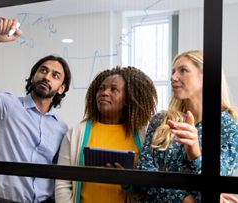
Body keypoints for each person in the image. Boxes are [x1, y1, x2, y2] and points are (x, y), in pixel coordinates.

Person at [0, 18, 72, 203]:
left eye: (55, 75)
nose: (47, 77)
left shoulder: (62, 129)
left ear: (61, 88)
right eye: (43, 70)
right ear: (33, 76)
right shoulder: (6, 106)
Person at [137, 50, 238, 203]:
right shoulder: (161, 120)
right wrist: (186, 199)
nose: (173, 77)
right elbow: (144, 172)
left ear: (206, 77)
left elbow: (213, 185)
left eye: (183, 70)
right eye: (173, 71)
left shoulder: (229, 129)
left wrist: (195, 153)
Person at [55, 66, 157, 203]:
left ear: (128, 98)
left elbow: (148, 188)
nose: (104, 93)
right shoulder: (76, 133)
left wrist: (127, 183)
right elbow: (63, 183)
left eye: (113, 89)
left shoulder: (143, 135)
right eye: (101, 88)